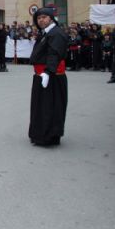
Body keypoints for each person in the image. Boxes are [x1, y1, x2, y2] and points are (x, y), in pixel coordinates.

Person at [28, 8, 68, 146]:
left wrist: (48, 72)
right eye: (38, 18)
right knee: (41, 107)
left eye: (44, 17)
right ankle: (40, 134)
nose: (41, 20)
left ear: (51, 18)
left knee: (50, 107)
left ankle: (49, 136)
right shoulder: (46, 33)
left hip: (52, 76)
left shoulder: (56, 33)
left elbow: (54, 54)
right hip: (43, 74)